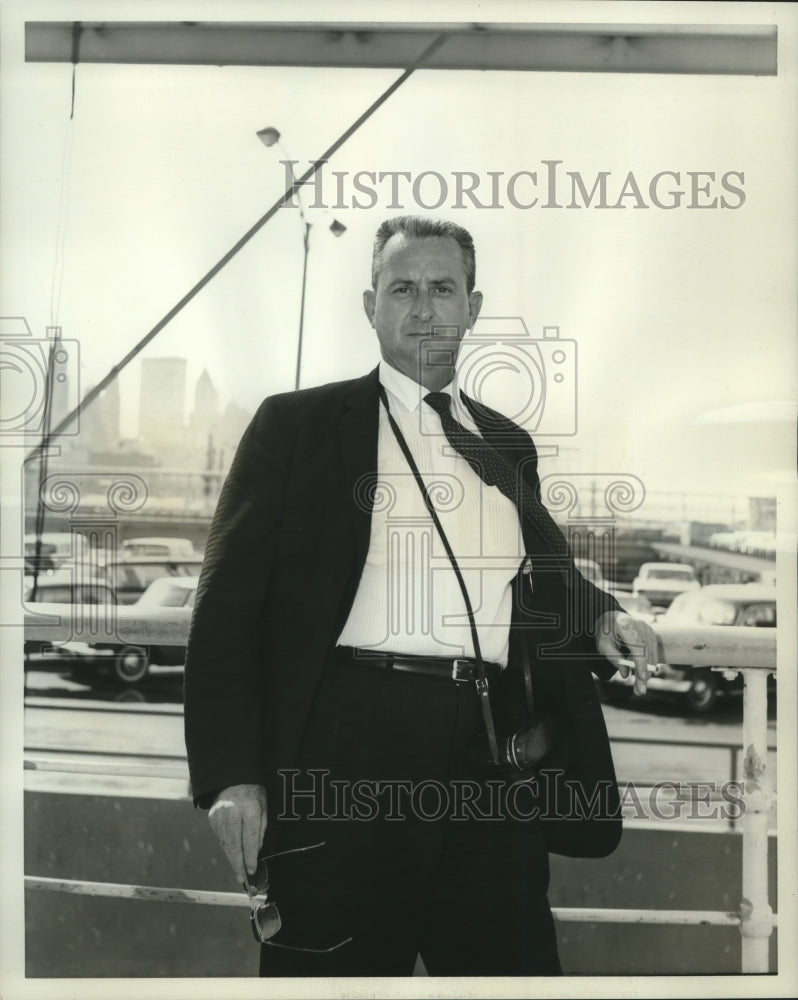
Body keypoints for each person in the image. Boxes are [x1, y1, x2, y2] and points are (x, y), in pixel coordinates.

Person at [184, 215, 657, 977]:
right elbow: (225, 612)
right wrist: (229, 775)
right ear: (369, 305)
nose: (424, 308)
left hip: (489, 755)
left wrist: (604, 616)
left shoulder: (505, 443)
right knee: (330, 977)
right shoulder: (297, 427)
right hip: (343, 754)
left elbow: (537, 569)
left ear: (474, 306)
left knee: (512, 972)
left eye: (443, 289)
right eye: (402, 288)